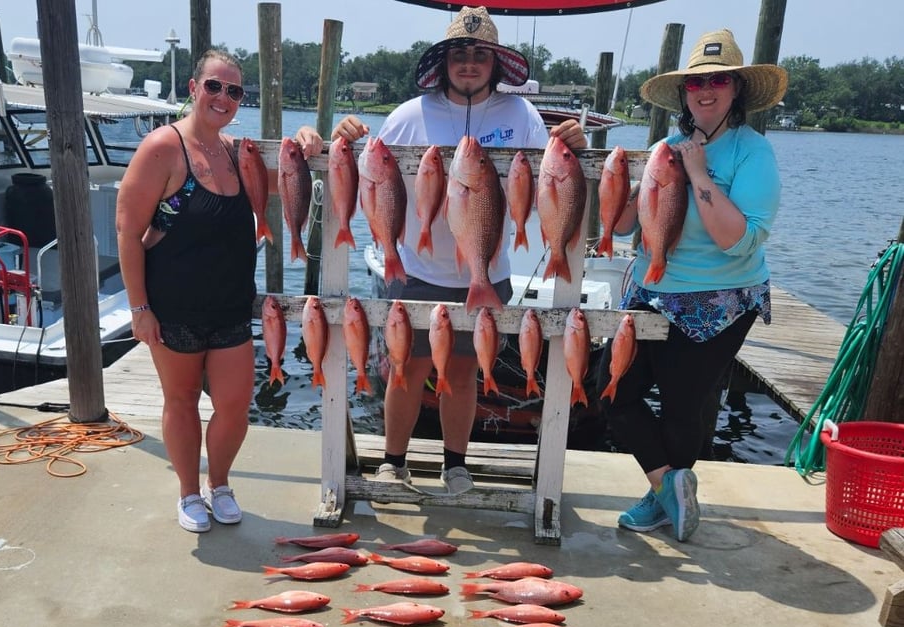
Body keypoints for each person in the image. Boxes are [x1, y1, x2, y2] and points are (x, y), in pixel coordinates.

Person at [332, 5, 586, 495]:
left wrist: (571, 139)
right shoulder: (409, 116)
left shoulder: (522, 115)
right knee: (406, 370)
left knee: (466, 372)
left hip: (490, 271)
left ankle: (455, 464)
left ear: (495, 63)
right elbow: (365, 172)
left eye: (479, 55)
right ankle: (393, 461)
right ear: (443, 62)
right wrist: (342, 136)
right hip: (416, 268)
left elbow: (554, 176)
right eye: (459, 54)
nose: (469, 63)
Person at [116, 49, 322, 532]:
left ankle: (221, 483)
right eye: (214, 86)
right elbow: (127, 232)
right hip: (173, 308)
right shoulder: (163, 148)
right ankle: (189, 492)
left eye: (234, 91)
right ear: (193, 88)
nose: (223, 97)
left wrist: (310, 140)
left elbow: (287, 182)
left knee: (233, 405)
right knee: (182, 401)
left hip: (231, 307)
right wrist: (139, 308)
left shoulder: (235, 153)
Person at [600, 28, 787, 541]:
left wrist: (699, 175)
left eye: (718, 80)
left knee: (684, 406)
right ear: (683, 93)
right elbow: (620, 228)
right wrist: (635, 184)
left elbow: (737, 240)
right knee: (611, 392)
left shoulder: (754, 154)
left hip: (721, 301)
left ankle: (664, 496)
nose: (706, 90)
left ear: (737, 90)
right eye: (695, 82)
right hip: (650, 290)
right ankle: (668, 488)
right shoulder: (665, 147)